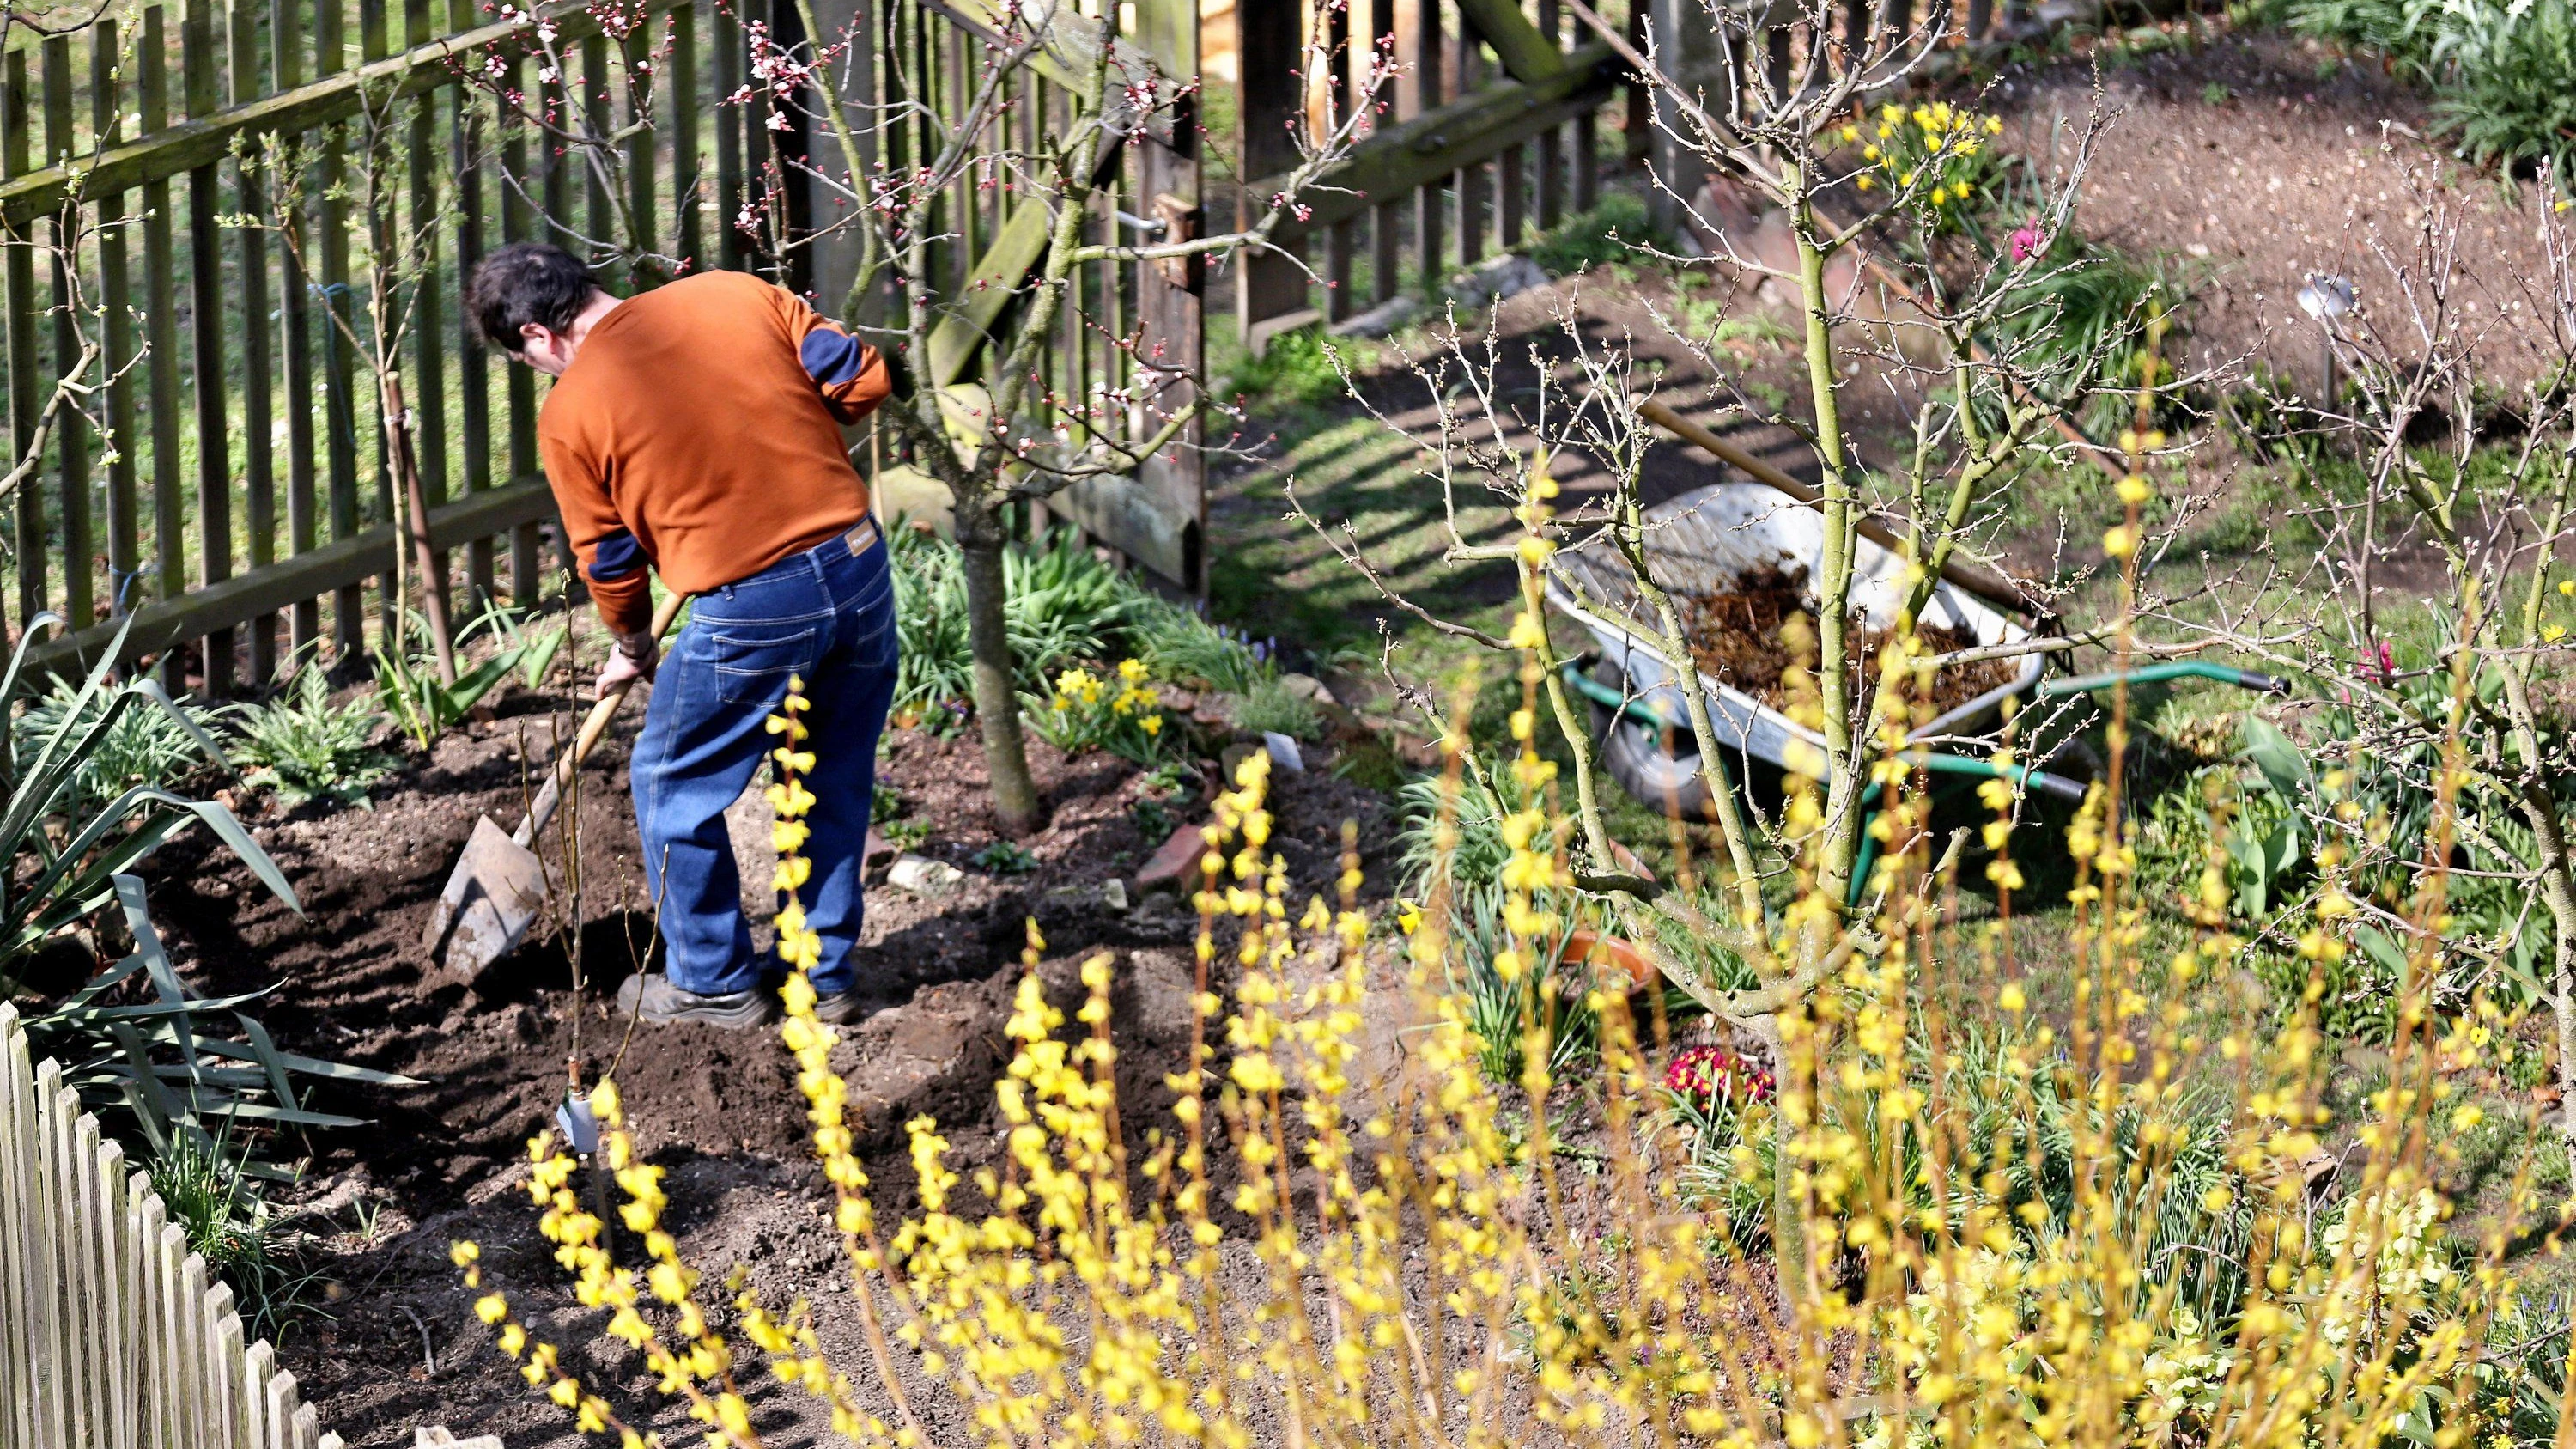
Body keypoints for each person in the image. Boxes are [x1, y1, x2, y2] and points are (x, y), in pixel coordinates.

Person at [465, 243, 896, 1027]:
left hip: (757, 605)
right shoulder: (734, 294)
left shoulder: (571, 413)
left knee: (672, 782)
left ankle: (710, 980)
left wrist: (632, 646)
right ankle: (818, 974)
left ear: (535, 336)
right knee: (827, 774)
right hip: (860, 566)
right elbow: (862, 379)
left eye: (528, 361)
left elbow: (611, 561)